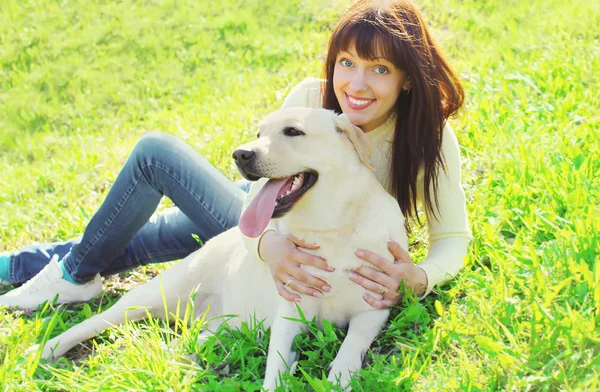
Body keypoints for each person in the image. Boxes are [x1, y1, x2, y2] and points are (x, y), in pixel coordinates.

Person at [0, 0, 471, 311]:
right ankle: (52, 272)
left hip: (313, 234)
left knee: (152, 211)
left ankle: (71, 274)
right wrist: (266, 245)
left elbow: (451, 237)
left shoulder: (428, 135)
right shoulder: (311, 97)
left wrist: (419, 277)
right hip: (263, 215)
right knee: (151, 220)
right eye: (347, 62)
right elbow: (259, 194)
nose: (356, 84)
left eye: (380, 69)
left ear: (407, 78)